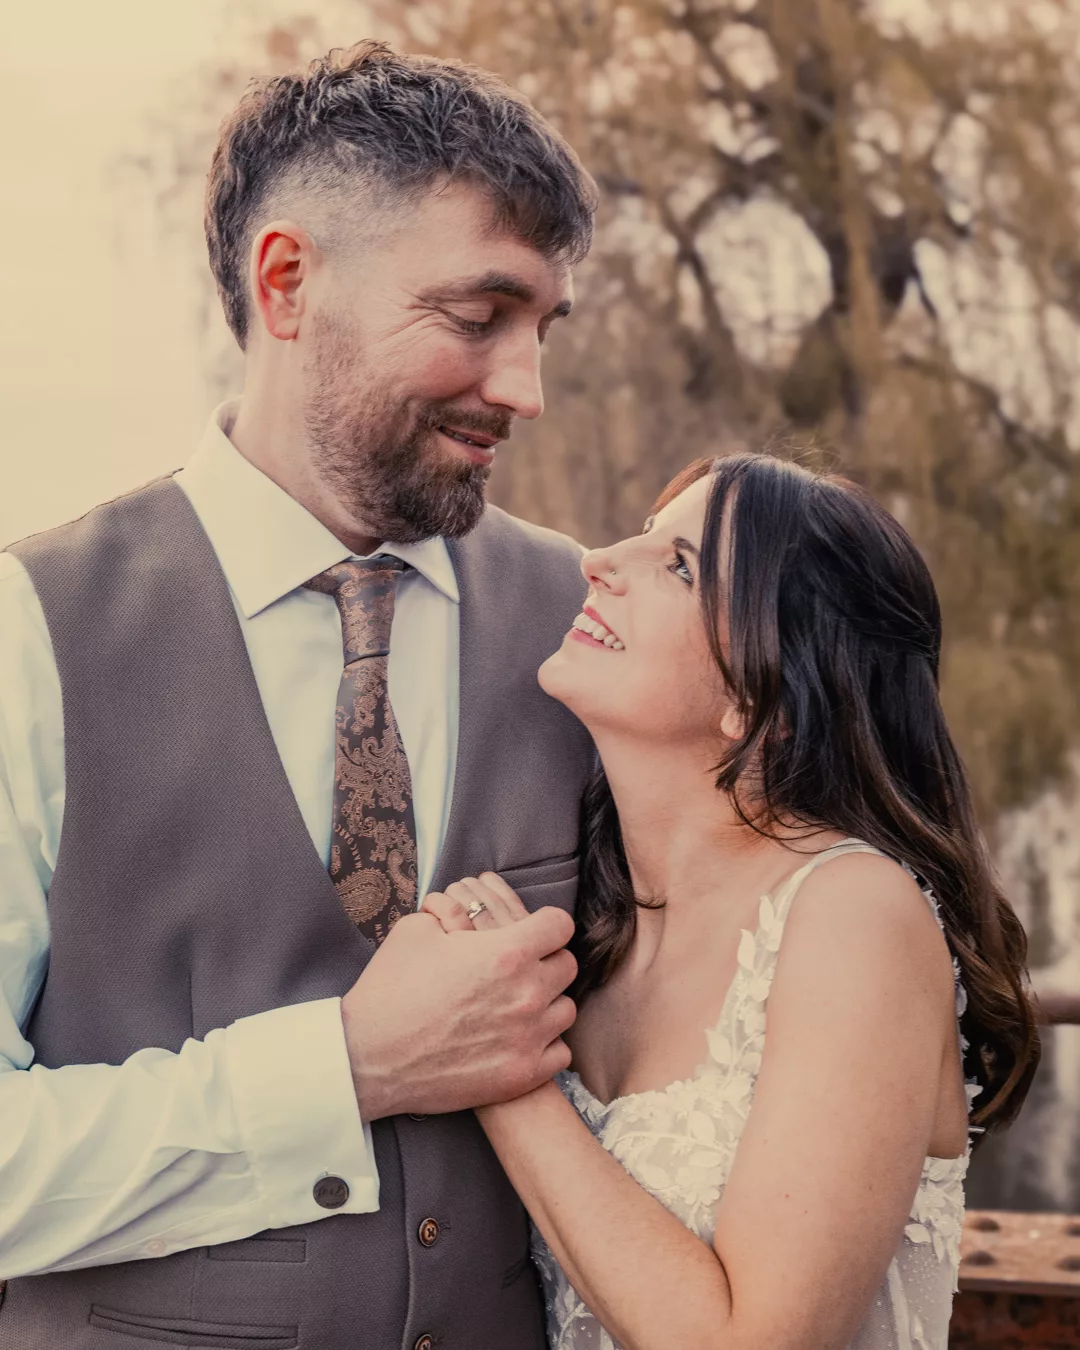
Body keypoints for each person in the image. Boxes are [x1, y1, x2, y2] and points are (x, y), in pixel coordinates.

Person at [0, 41, 600, 1349]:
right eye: (477, 315)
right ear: (288, 282)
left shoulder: (593, 625)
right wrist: (346, 1067)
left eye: (542, 328)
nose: (526, 390)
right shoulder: (26, 634)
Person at [422, 452, 1041, 1350]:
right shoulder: (595, 919)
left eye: (678, 565)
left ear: (766, 697)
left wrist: (499, 1064)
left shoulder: (852, 914)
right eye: (641, 535)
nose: (599, 558)